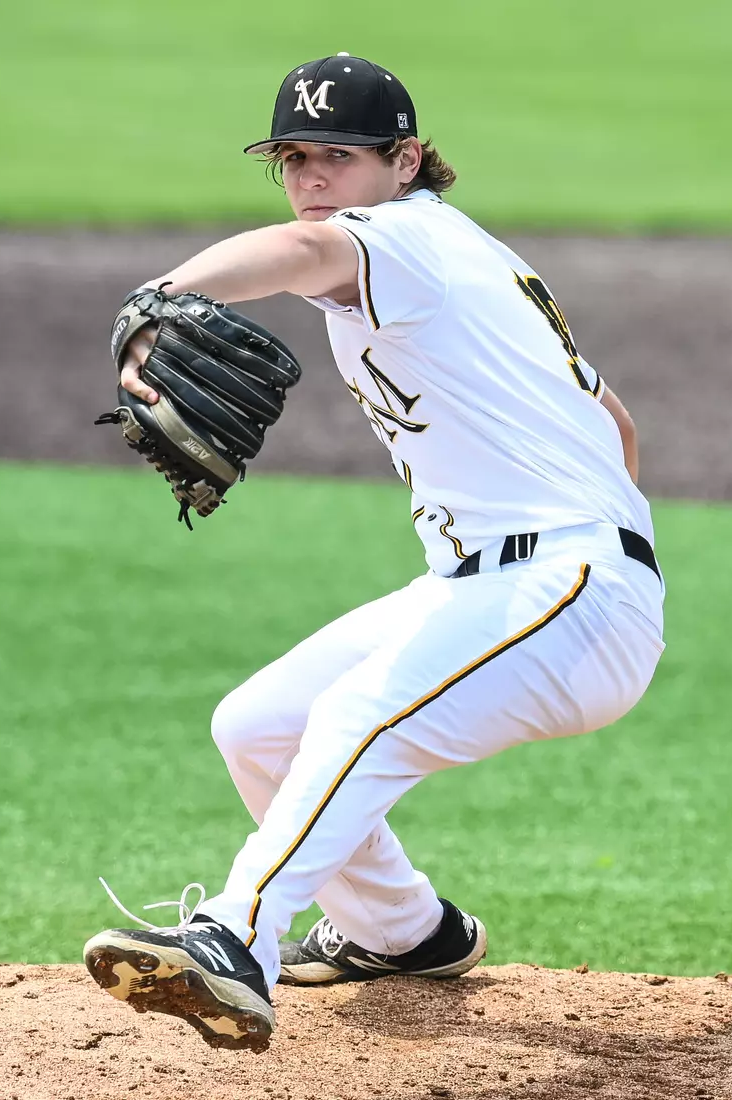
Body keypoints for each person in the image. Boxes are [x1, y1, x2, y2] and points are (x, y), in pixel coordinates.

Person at [82, 53, 666, 1053]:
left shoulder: (401, 239)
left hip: (566, 589)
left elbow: (301, 256)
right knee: (260, 723)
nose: (311, 180)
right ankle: (402, 931)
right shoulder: (460, 255)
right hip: (514, 581)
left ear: (401, 162)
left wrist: (161, 295)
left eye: (335, 158)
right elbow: (612, 420)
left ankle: (235, 936)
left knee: (356, 714)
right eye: (292, 159)